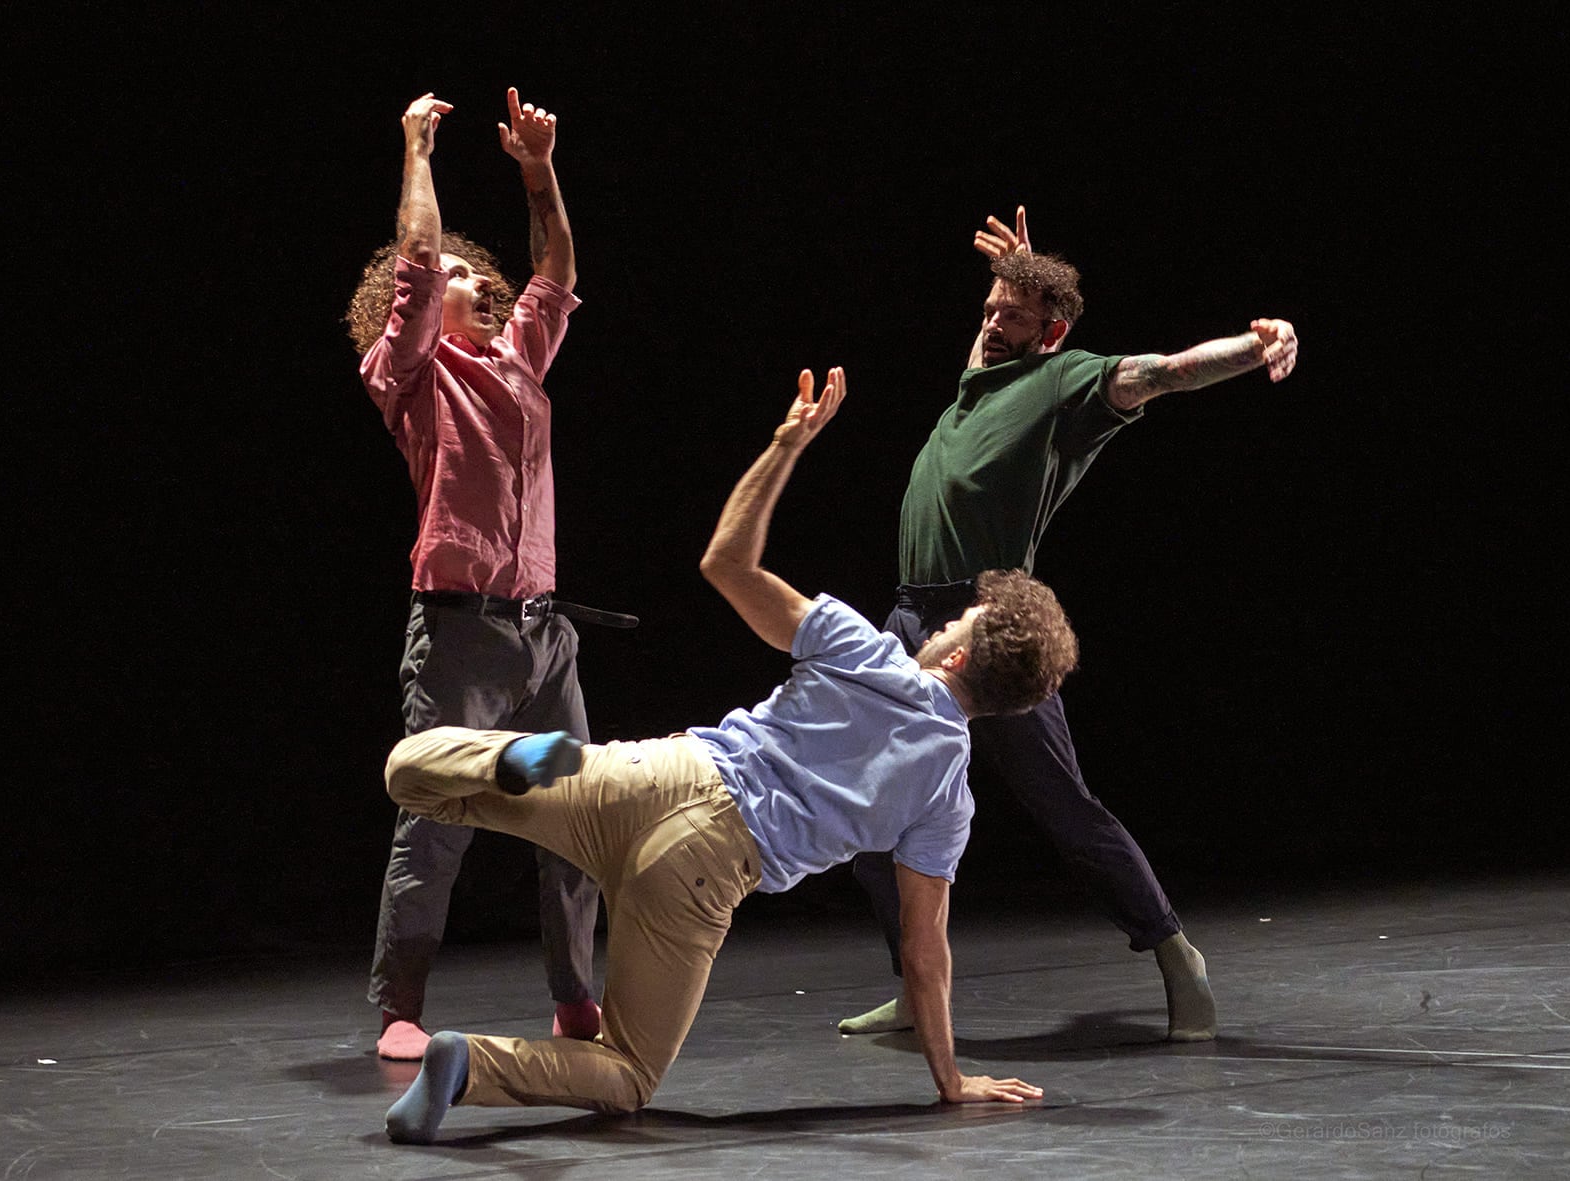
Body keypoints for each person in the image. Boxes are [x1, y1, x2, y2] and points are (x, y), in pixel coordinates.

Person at [380, 368, 1076, 1144]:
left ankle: (512, 761)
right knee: (628, 1074)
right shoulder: (947, 797)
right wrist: (951, 1080)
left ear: (956, 655)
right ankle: (465, 1064)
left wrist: (784, 446)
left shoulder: (864, 649)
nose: (943, 623)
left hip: (654, 773)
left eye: (959, 620)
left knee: (411, 773)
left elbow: (727, 563)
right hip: (704, 871)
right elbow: (924, 951)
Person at [841, 207, 1299, 1042]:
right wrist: (1017, 269)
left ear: (1048, 334)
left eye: (1009, 317)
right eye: (986, 309)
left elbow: (1162, 373)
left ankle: (1173, 951)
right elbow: (990, 329)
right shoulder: (973, 387)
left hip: (987, 623)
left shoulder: (1064, 385)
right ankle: (915, 986)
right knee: (869, 806)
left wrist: (1257, 344)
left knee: (1060, 801)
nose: (988, 323)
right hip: (909, 621)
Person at [345, 89, 623, 1061]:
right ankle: (400, 1008)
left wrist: (537, 172)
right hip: (459, 628)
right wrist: (417, 147)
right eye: (448, 270)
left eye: (470, 265)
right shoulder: (408, 374)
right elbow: (416, 258)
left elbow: (556, 267)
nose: (461, 272)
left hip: (544, 632)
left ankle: (577, 998)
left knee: (576, 818)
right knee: (438, 816)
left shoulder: (515, 363)